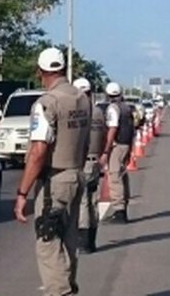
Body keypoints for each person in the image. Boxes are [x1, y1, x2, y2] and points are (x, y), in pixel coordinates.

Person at [14, 48, 91, 296]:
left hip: (55, 179)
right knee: (68, 240)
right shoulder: (82, 99)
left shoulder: (47, 103)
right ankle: (68, 286)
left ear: (40, 72)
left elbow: (38, 151)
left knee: (48, 240)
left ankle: (60, 293)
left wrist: (22, 192)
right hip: (77, 173)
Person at [72, 77, 105, 253]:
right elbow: (105, 135)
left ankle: (83, 242)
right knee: (93, 201)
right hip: (96, 161)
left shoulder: (79, 112)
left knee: (83, 202)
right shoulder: (99, 112)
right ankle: (91, 241)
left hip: (82, 161)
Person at [100, 82, 134, 224]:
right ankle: (123, 207)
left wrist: (106, 150)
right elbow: (132, 129)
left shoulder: (113, 109)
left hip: (118, 144)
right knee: (122, 175)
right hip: (126, 144)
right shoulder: (126, 108)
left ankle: (119, 210)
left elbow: (112, 129)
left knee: (115, 176)